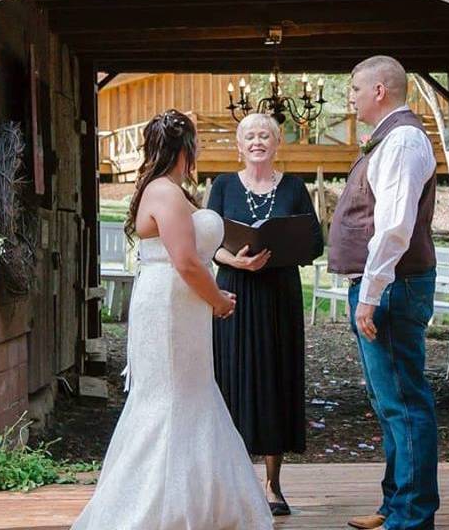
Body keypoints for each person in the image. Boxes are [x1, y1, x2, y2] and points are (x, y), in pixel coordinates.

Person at [72, 109, 272, 530]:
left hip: (181, 305)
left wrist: (224, 268)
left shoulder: (170, 190)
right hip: (170, 307)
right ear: (187, 148)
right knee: (170, 397)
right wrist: (217, 300)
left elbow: (191, 251)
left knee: (192, 393)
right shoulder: (164, 192)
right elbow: (184, 261)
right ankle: (153, 507)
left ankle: (200, 499)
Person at [329, 56, 439, 530]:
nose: (349, 97)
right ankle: (396, 503)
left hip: (394, 286)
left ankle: (412, 517)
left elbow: (394, 227)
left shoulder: (404, 140)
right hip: (383, 286)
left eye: (354, 88)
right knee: (387, 400)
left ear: (379, 90)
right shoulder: (389, 140)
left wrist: (371, 293)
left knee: (404, 402)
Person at [207, 112, 324, 516]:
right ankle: (232, 481)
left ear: (277, 144)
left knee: (276, 378)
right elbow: (209, 242)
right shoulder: (222, 185)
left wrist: (283, 248)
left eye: (265, 136)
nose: (257, 141)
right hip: (235, 292)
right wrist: (236, 263)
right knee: (233, 377)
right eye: (250, 136)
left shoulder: (293, 187)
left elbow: (314, 241)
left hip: (279, 293)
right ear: (239, 146)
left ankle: (273, 485)